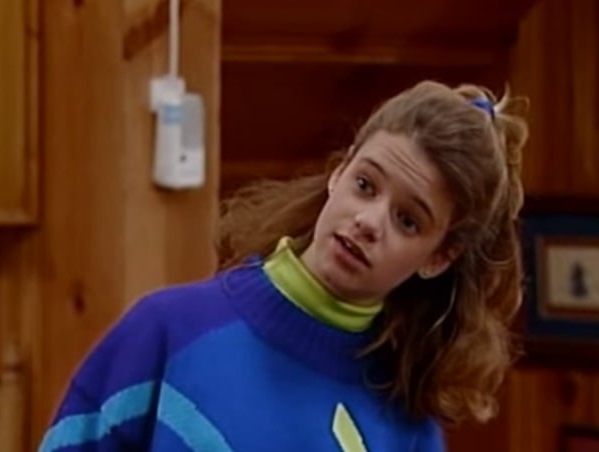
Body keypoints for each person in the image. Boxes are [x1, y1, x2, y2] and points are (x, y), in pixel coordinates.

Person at [39, 80, 528, 452]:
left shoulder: (408, 429)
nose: (368, 222)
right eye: (365, 185)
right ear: (339, 171)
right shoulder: (167, 332)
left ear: (439, 257)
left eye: (407, 220)